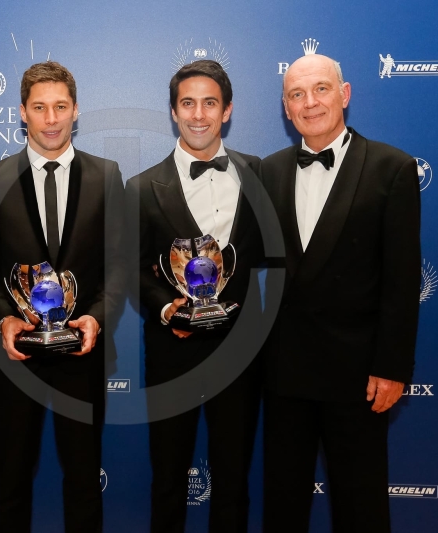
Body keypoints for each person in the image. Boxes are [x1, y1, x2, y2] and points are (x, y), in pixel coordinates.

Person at [259, 53, 420, 532]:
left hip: (358, 379)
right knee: (283, 504)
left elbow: (402, 279)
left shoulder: (392, 168)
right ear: (286, 109)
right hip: (284, 373)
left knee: (361, 505)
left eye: (321, 90)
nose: (310, 103)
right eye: (296, 95)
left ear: (345, 94)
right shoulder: (268, 171)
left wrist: (391, 367)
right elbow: (255, 270)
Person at [0, 61, 124, 533]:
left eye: (61, 106)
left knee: (83, 482)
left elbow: (119, 266)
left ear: (76, 110)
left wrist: (97, 319)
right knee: (11, 479)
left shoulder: (107, 175)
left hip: (83, 354)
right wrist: (4, 320)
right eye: (40, 107)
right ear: (22, 112)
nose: (51, 118)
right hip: (18, 359)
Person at [124, 59, 264, 532]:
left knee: (233, 481)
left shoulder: (261, 175)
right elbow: (131, 268)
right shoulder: (140, 187)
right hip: (171, 354)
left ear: (227, 111)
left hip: (241, 354)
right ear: (173, 111)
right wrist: (167, 309)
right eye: (188, 103)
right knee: (167, 480)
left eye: (210, 103)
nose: (198, 114)